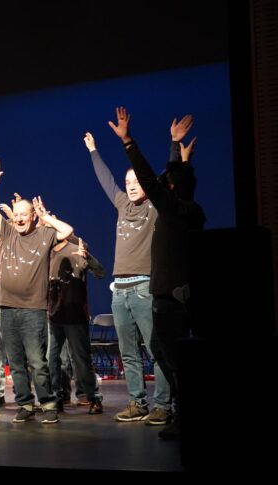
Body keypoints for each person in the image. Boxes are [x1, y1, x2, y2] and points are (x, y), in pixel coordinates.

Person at [108, 107, 205, 439]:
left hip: (164, 295)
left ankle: (176, 412)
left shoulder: (171, 208)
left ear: (171, 187)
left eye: (169, 182)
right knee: (169, 356)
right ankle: (177, 413)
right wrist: (177, 154)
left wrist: (128, 142)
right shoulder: (193, 210)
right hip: (175, 293)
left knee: (169, 357)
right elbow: (170, 181)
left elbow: (152, 179)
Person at [84, 120, 184, 425]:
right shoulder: (121, 204)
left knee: (157, 351)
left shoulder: (155, 207)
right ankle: (137, 403)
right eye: (127, 182)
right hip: (120, 290)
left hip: (144, 287)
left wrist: (173, 144)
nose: (130, 185)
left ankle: (163, 405)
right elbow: (106, 179)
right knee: (128, 353)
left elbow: (166, 178)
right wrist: (93, 151)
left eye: (136, 181)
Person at [0, 158, 74, 424]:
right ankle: (24, 403)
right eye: (17, 214)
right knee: (15, 361)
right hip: (6, 308)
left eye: (25, 214)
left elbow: (68, 230)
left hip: (33, 309)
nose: (20, 218)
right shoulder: (9, 233)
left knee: (37, 361)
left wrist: (48, 219)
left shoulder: (45, 235)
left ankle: (47, 403)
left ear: (33, 216)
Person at [47, 235, 105, 414]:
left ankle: (93, 397)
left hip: (75, 316)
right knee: (52, 359)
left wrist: (87, 257)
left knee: (81, 359)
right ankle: (56, 397)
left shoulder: (76, 245)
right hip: (53, 316)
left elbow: (100, 272)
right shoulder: (45, 251)